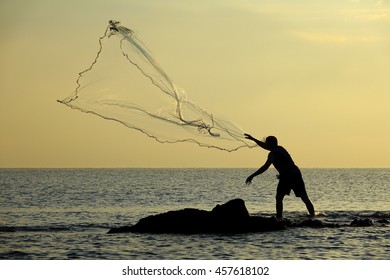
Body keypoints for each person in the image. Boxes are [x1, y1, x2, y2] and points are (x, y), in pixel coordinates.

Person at [244, 134, 315, 219]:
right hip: (296, 174)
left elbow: (265, 167)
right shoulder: (281, 148)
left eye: (267, 143)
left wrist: (252, 176)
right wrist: (253, 139)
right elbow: (265, 147)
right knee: (304, 197)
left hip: (287, 176)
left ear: (271, 144)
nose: (265, 145)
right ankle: (313, 216)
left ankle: (279, 218)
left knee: (279, 198)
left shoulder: (273, 154)